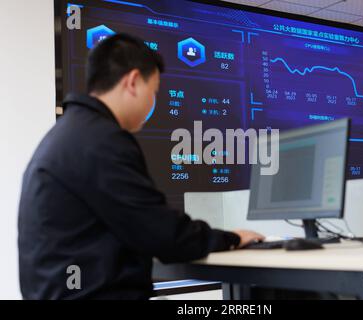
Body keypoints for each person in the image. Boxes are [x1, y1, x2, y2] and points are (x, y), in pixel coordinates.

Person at [18, 33, 264, 300]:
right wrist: (231, 238)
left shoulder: (70, 133)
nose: (152, 103)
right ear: (133, 82)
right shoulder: (102, 140)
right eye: (154, 92)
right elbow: (165, 235)